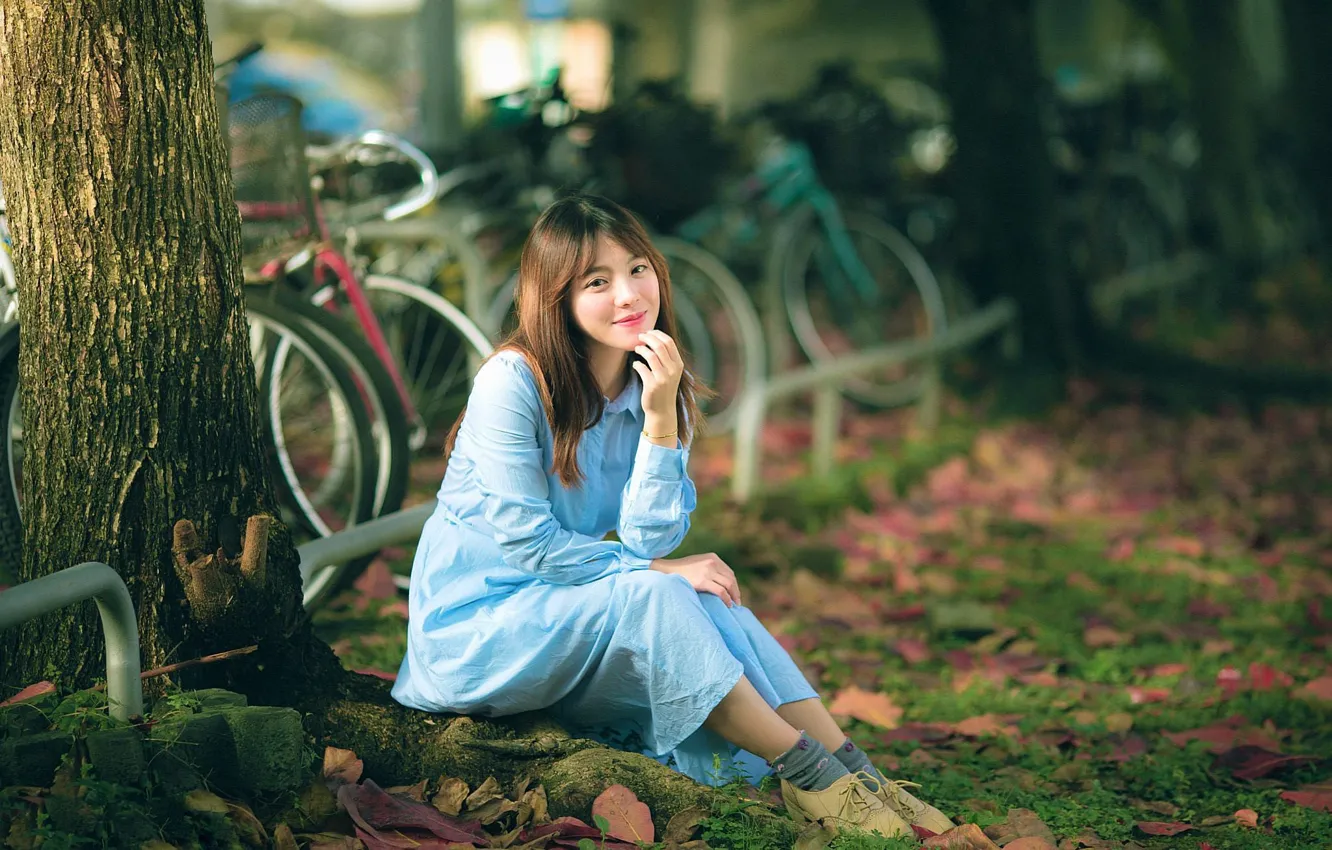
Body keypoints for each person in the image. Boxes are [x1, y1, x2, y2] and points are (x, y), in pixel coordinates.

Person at [391, 193, 954, 839]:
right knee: (660, 591)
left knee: (708, 598)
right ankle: (813, 778)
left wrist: (659, 420)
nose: (629, 295)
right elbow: (530, 545)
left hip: (569, 614)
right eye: (597, 282)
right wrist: (656, 568)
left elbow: (649, 536)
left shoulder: (658, 382)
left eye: (638, 269)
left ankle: (859, 775)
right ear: (557, 299)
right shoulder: (513, 382)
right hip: (480, 630)